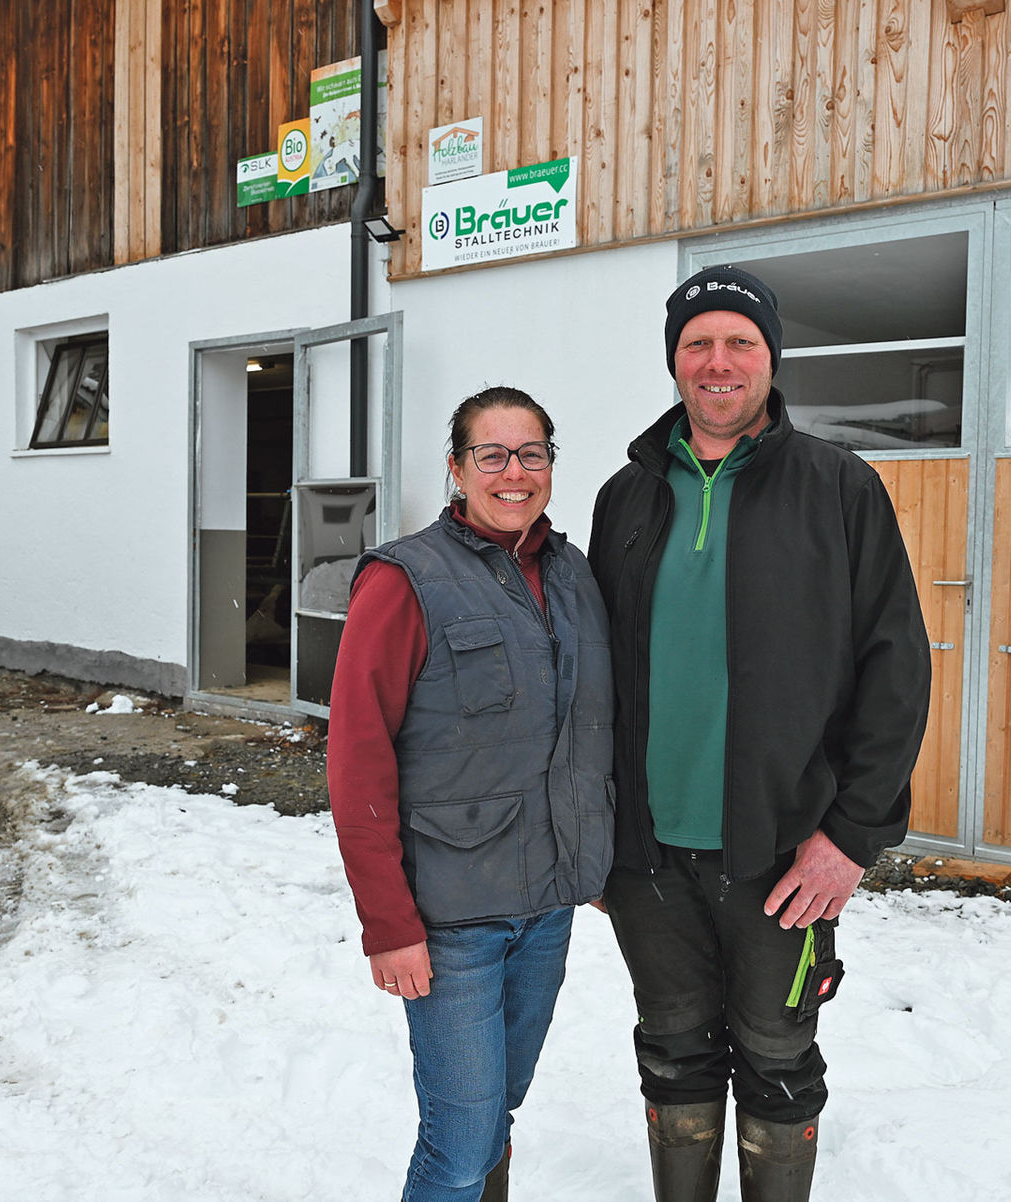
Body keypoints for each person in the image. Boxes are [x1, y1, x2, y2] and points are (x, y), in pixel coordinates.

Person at [588, 266, 931, 1201]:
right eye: (697, 342)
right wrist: (596, 832)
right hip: (647, 856)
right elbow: (596, 676)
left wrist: (851, 836)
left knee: (779, 1057)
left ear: (771, 359)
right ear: (674, 361)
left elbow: (896, 671)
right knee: (672, 1052)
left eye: (740, 341)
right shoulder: (626, 496)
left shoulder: (839, 488)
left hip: (784, 853)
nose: (719, 361)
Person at [327, 387, 615, 1202]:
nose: (514, 472)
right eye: (492, 454)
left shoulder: (574, 575)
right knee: (457, 1148)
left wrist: (602, 854)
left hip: (547, 909)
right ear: (456, 469)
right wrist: (389, 924)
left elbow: (594, 728)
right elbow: (357, 761)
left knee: (496, 1118)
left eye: (532, 454)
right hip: (452, 920)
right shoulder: (404, 580)